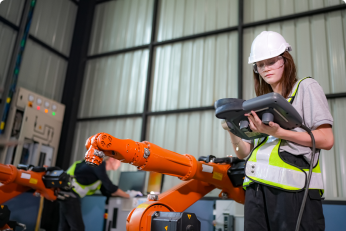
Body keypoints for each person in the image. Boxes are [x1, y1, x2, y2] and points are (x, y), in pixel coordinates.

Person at [226, 31, 334, 230]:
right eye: (260, 65)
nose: (265, 69)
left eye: (271, 61)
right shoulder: (259, 104)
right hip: (256, 192)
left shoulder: (305, 88)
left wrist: (279, 133)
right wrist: (231, 129)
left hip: (293, 193)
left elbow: (327, 139)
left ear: (285, 61)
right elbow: (244, 153)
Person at [58, 157, 142, 231]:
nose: (119, 165)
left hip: (68, 195)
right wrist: (129, 195)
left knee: (65, 227)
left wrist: (125, 193)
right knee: (78, 228)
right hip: (69, 195)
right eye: (119, 161)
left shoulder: (99, 173)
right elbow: (110, 187)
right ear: (112, 159)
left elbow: (107, 191)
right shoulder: (98, 164)